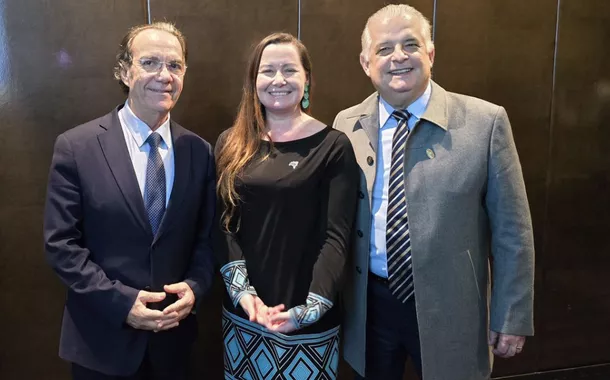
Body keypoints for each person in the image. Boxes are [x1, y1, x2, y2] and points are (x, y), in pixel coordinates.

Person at [333, 4, 535, 380]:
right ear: (365, 62)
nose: (398, 57)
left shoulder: (485, 123)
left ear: (431, 53)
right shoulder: (346, 124)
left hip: (454, 308)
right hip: (370, 307)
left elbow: (513, 232)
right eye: (384, 48)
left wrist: (512, 314)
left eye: (410, 44)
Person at [43, 22, 216, 380]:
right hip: (102, 343)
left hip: (175, 345)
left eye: (175, 65)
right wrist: (122, 304)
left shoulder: (199, 151)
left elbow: (207, 239)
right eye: (150, 62)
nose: (164, 75)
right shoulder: (77, 147)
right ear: (124, 70)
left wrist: (197, 288)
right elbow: (61, 246)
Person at [214, 32, 358, 379]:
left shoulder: (333, 146)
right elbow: (223, 225)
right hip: (245, 314)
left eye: (290, 70)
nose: (279, 80)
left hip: (306, 318)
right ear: (254, 81)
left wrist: (308, 310)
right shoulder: (230, 143)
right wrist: (243, 296)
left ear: (306, 80)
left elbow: (336, 237)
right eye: (268, 71)